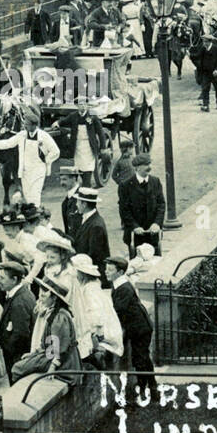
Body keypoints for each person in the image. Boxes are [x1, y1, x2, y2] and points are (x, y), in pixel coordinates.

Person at [107, 256, 155, 401]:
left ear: (120, 272)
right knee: (142, 358)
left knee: (141, 360)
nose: (106, 272)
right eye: (106, 269)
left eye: (110, 270)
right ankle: (151, 390)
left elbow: (118, 310)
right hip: (138, 327)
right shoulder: (119, 284)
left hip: (140, 328)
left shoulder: (123, 288)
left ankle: (146, 391)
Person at [0, 108, 59, 209]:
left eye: (27, 124)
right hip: (25, 171)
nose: (25, 126)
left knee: (35, 197)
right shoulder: (22, 135)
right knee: (27, 197)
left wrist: (45, 160)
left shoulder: (44, 136)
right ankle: (31, 218)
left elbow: (56, 151)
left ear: (34, 125)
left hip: (38, 171)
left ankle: (36, 216)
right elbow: (9, 143)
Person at [50, 98, 109, 188]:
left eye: (84, 104)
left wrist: (103, 147)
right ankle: (82, 186)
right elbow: (64, 121)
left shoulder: (92, 116)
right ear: (77, 106)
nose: (82, 106)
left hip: (89, 147)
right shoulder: (73, 116)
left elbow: (100, 132)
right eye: (80, 104)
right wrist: (57, 122)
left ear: (86, 105)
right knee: (79, 168)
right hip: (78, 146)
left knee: (88, 169)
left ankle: (86, 186)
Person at [0, 261, 35, 382]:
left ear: (14, 279)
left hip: (17, 358)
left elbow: (21, 334)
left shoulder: (19, 302)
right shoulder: (22, 294)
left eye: (2, 278)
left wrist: (8, 349)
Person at [118, 153, 164, 256]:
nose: (149, 167)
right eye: (146, 165)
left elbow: (161, 205)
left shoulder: (155, 181)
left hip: (153, 234)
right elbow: (124, 210)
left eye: (149, 164)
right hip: (135, 236)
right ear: (137, 168)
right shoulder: (125, 185)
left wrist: (157, 223)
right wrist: (134, 227)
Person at [71, 187, 111, 284]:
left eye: (78, 202)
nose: (76, 205)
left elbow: (94, 255)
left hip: (92, 276)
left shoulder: (96, 225)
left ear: (84, 205)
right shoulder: (88, 219)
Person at [193, 33, 217, 112]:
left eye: (206, 42)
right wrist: (190, 55)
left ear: (210, 42)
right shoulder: (203, 49)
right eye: (204, 42)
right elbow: (197, 56)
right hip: (206, 73)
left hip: (215, 73)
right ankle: (206, 105)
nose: (204, 44)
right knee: (205, 88)